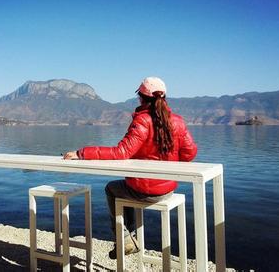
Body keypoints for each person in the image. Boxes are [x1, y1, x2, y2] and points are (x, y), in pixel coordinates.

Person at [63, 76, 197, 259]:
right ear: (164, 97)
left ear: (142, 97)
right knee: (129, 187)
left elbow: (121, 152)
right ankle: (129, 237)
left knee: (112, 188)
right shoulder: (178, 121)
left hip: (143, 190)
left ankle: (126, 237)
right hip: (168, 190)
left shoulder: (143, 121)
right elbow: (190, 153)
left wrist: (81, 153)